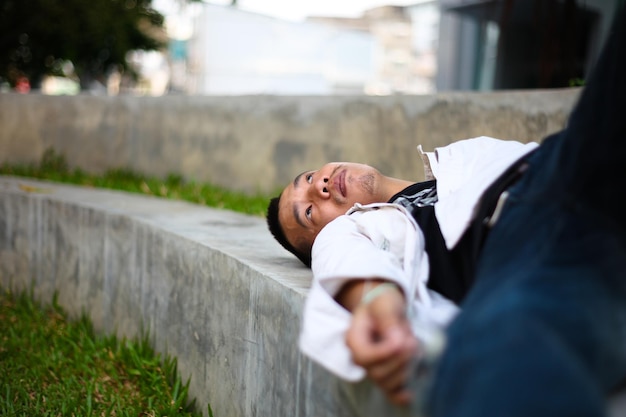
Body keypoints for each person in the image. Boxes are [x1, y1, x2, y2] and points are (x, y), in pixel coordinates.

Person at [267, 6, 626, 416]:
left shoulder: (456, 160)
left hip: (562, 163)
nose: (320, 186)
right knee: (506, 354)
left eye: (310, 177)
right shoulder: (353, 231)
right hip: (528, 248)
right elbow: (341, 257)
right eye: (310, 212)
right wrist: (377, 299)